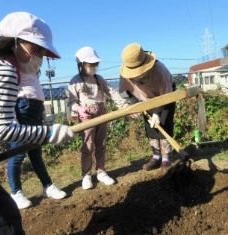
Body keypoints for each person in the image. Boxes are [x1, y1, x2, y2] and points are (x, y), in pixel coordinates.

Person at [0, 11, 75, 234]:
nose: (40, 57)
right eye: (36, 48)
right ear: (15, 42)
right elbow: (4, 130)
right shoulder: (4, 71)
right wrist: (48, 133)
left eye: (43, 52)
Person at [67, 46, 128, 190]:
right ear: (81, 64)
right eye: (91, 64)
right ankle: (86, 175)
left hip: (102, 112)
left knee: (101, 144)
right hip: (86, 117)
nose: (94, 67)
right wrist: (79, 109)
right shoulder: (75, 81)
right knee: (88, 146)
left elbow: (112, 93)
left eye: (96, 64)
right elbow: (70, 102)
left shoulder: (99, 79)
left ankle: (101, 171)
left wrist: (125, 106)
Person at [7, 70, 67, 210]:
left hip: (36, 111)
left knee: (36, 154)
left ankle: (47, 186)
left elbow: (38, 94)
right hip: (20, 111)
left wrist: (43, 116)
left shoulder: (33, 73)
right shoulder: (13, 69)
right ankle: (16, 192)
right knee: (17, 157)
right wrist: (13, 120)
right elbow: (8, 96)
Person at [119, 43, 176, 171]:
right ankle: (156, 156)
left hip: (165, 96)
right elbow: (124, 92)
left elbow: (165, 95)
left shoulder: (159, 70)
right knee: (150, 127)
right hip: (144, 99)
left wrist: (157, 113)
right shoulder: (125, 74)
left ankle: (166, 157)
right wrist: (133, 102)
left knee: (163, 124)